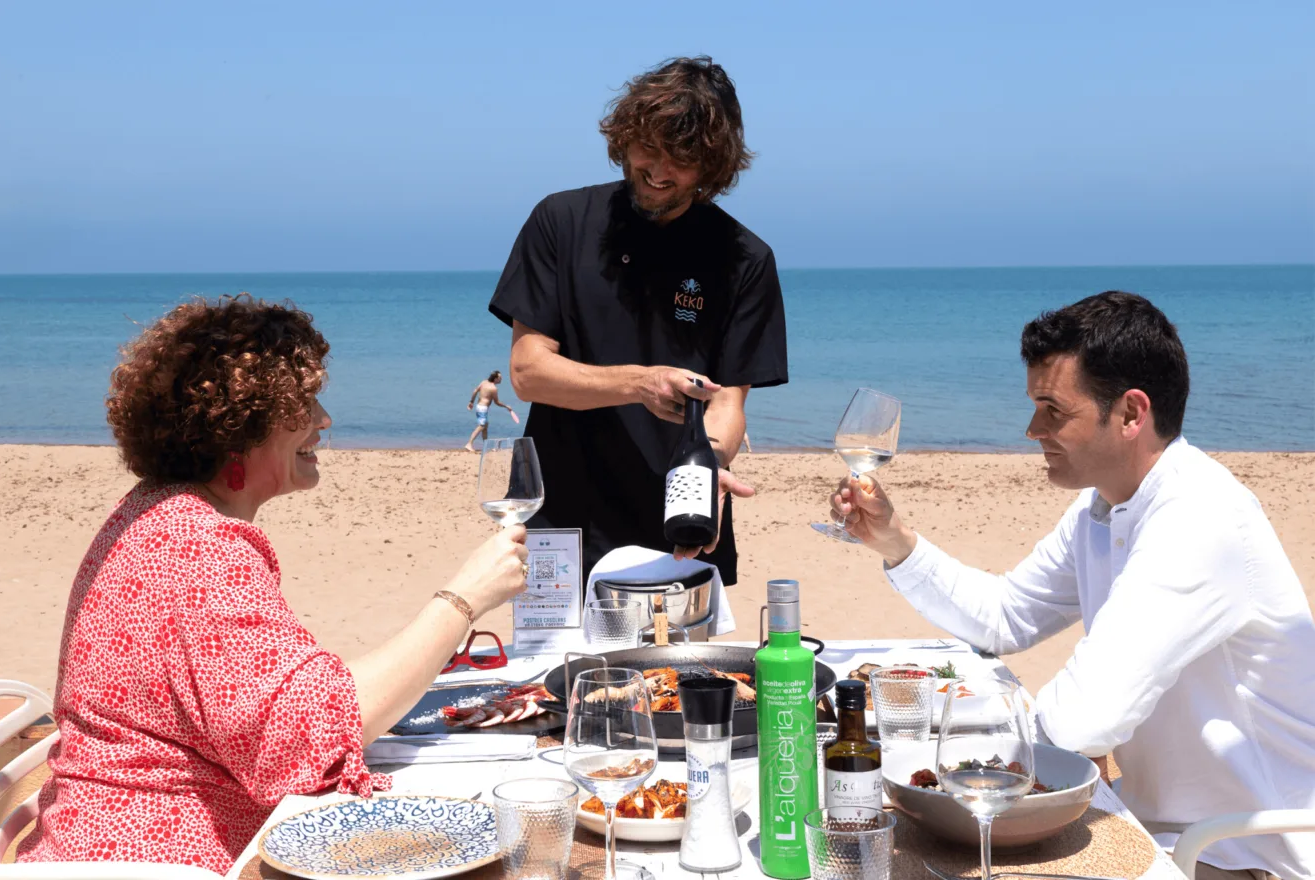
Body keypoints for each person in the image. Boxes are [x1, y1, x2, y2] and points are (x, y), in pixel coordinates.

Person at [18, 295, 528, 873]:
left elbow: (283, 698)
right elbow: (310, 737)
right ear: (242, 426)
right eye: (304, 404)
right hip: (155, 861)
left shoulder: (153, 512)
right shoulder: (202, 550)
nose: (324, 421)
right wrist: (463, 600)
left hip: (95, 844)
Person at [829, 292, 1315, 880]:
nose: (1032, 429)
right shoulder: (1105, 506)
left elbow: (1086, 719)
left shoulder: (1200, 516)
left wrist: (938, 769)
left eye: (1052, 409)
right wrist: (896, 542)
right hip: (1157, 823)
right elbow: (1006, 616)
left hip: (1246, 850)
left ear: (1132, 414)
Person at [489, 56, 788, 587]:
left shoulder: (744, 259)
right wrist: (640, 383)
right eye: (647, 147)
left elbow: (727, 403)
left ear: (713, 167)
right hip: (561, 522)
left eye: (682, 160)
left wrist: (711, 468)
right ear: (624, 134)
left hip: (680, 525)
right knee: (553, 672)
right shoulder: (561, 223)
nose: (657, 171)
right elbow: (529, 372)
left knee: (678, 674)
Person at [465, 369, 515, 451]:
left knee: (485, 427)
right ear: (495, 379)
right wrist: (506, 406)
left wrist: (471, 402)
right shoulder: (493, 388)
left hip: (478, 407)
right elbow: (497, 402)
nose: (501, 379)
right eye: (500, 378)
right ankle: (469, 444)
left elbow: (475, 391)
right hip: (483, 409)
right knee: (481, 426)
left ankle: (486, 446)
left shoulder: (483, 382)